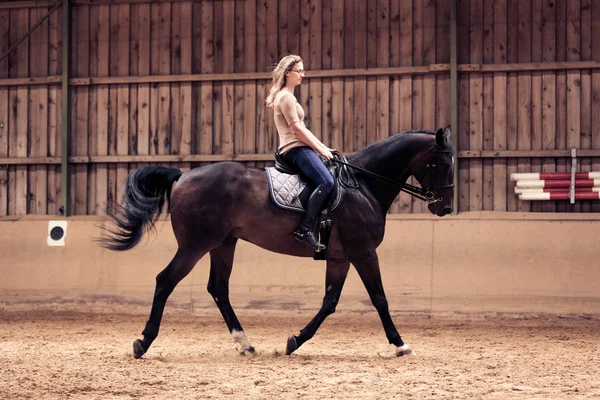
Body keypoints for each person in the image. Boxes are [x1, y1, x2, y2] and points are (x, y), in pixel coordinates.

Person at [266, 55, 335, 251]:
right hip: (295, 150)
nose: (302, 75)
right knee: (327, 181)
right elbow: (297, 130)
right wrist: (320, 149)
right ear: (287, 72)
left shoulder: (287, 95)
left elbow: (304, 129)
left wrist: (324, 148)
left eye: (303, 71)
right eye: (299, 71)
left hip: (299, 147)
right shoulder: (286, 97)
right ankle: (305, 229)